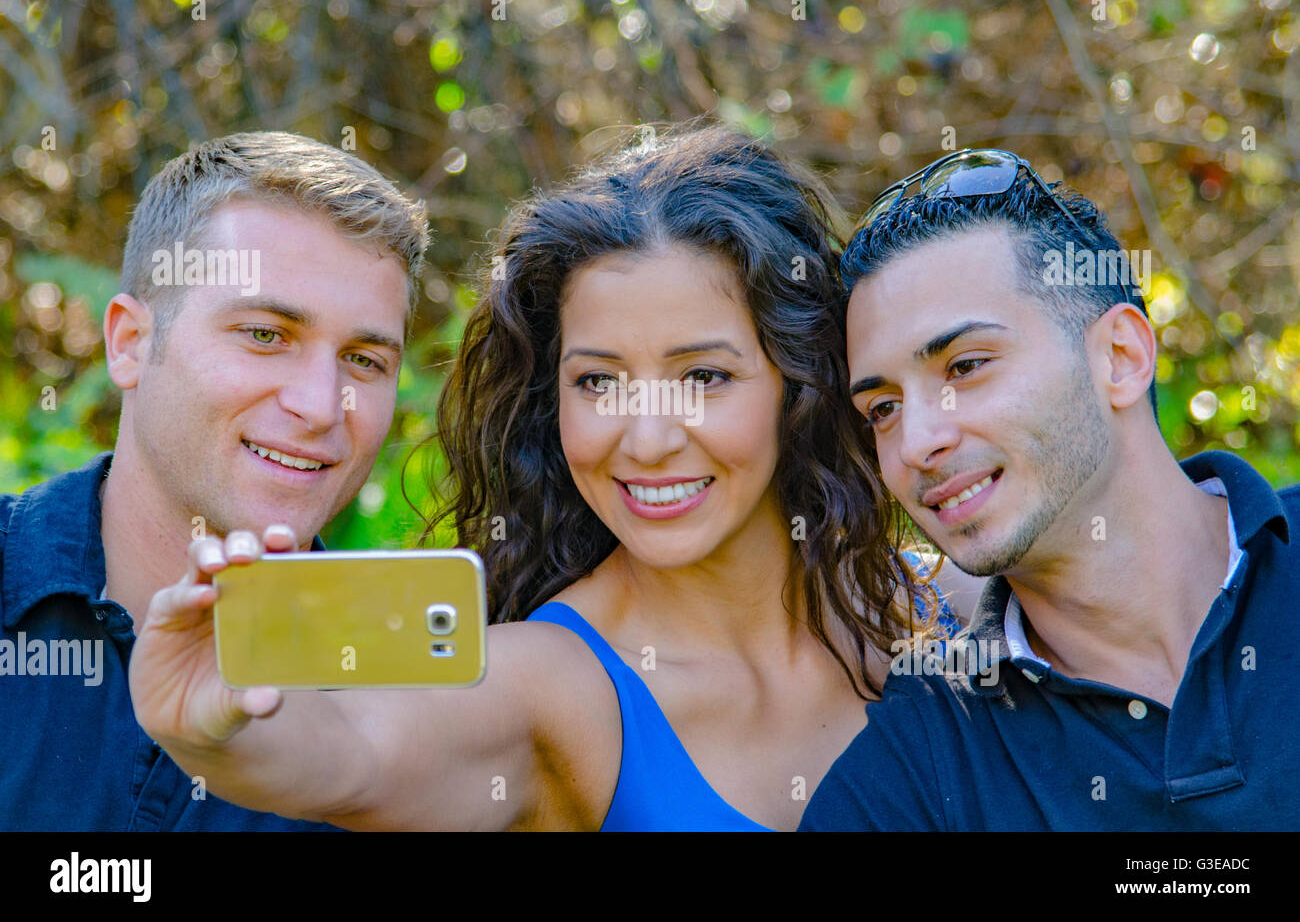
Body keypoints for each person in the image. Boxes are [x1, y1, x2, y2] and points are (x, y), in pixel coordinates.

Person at [129, 124, 974, 832]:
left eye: (703, 378)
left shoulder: (951, 607)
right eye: (597, 381)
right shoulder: (550, 681)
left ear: (801, 381)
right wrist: (216, 736)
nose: (645, 440)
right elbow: (356, 753)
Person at [800, 149, 1300, 830]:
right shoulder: (921, 773)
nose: (916, 443)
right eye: (882, 408)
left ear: (1119, 358)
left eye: (966, 365)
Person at [0, 131, 428, 830]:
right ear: (131, 342)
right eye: (265, 334)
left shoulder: (404, 706)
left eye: (363, 360)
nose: (321, 405)